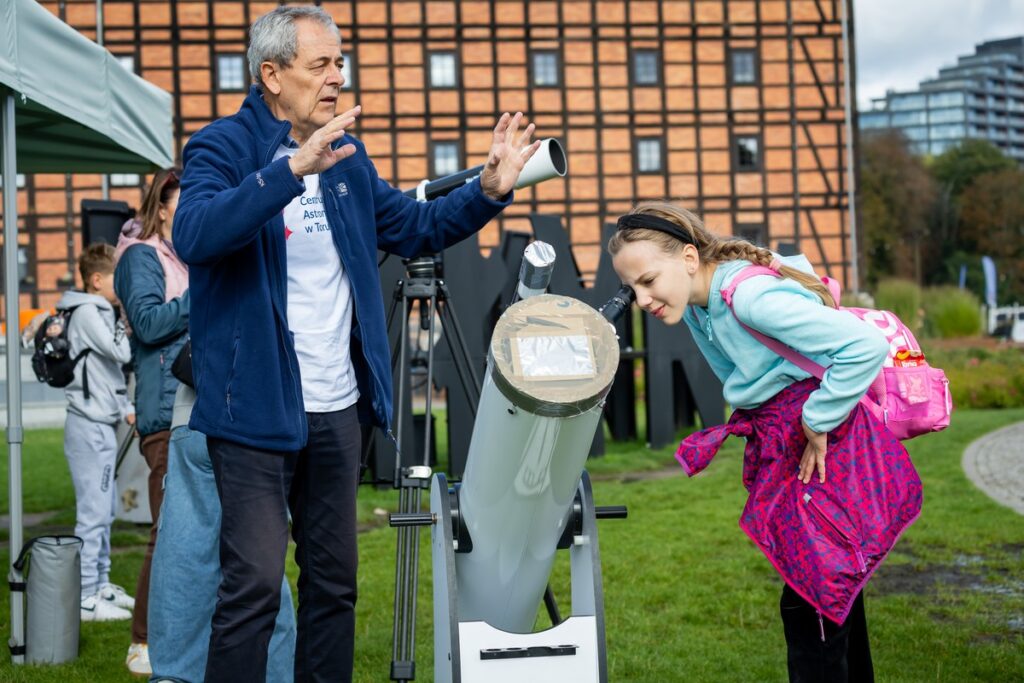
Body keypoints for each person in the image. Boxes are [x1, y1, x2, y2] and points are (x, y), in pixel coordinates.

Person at [172, 5, 539, 681]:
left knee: (334, 587)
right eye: (322, 64)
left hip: (338, 409)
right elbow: (194, 234)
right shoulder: (221, 147)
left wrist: (488, 190)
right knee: (252, 588)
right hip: (253, 409)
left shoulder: (346, 157)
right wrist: (288, 171)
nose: (338, 76)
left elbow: (414, 225)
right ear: (272, 75)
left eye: (340, 62)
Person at [609, 202, 923, 682]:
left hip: (823, 447)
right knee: (830, 598)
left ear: (689, 258)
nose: (643, 298)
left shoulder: (751, 298)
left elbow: (864, 346)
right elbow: (750, 381)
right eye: (633, 289)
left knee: (813, 602)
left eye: (648, 280)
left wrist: (817, 421)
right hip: (789, 446)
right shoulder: (700, 310)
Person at [147, 376, 297, 682]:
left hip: (198, 413)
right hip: (255, 417)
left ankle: (175, 673)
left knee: (186, 557)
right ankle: (274, 672)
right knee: (260, 566)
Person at [113, 167, 190, 676]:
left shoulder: (186, 258)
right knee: (167, 530)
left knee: (191, 532)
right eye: (185, 202)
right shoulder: (142, 256)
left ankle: (183, 634)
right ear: (160, 207)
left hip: (196, 408)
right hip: (165, 411)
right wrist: (205, 293)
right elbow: (147, 323)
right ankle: (141, 641)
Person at [59, 243, 136, 623]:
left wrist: (125, 408)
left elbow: (105, 373)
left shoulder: (94, 310)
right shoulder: (90, 312)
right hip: (88, 427)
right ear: (96, 280)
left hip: (100, 422)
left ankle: (101, 582)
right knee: (93, 512)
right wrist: (127, 315)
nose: (121, 286)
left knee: (104, 509)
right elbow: (121, 354)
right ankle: (87, 595)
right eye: (116, 279)